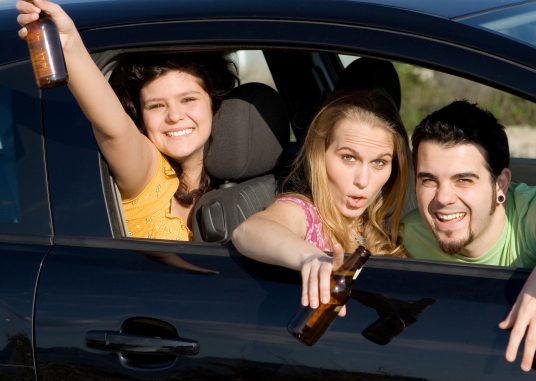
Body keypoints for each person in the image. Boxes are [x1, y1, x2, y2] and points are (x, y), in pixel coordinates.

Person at [15, 0, 237, 240]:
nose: (174, 116)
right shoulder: (149, 173)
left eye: (188, 100)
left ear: (212, 103)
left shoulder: (249, 180)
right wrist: (68, 44)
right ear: (141, 114)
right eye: (157, 105)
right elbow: (115, 129)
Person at [399, 100, 536, 371]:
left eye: (463, 180)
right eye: (428, 180)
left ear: (500, 183)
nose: (442, 198)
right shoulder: (407, 235)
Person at [233, 89, 411, 315]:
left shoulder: (374, 222)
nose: (363, 181)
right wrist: (311, 258)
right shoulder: (305, 212)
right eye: (348, 157)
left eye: (379, 162)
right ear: (320, 154)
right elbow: (248, 231)